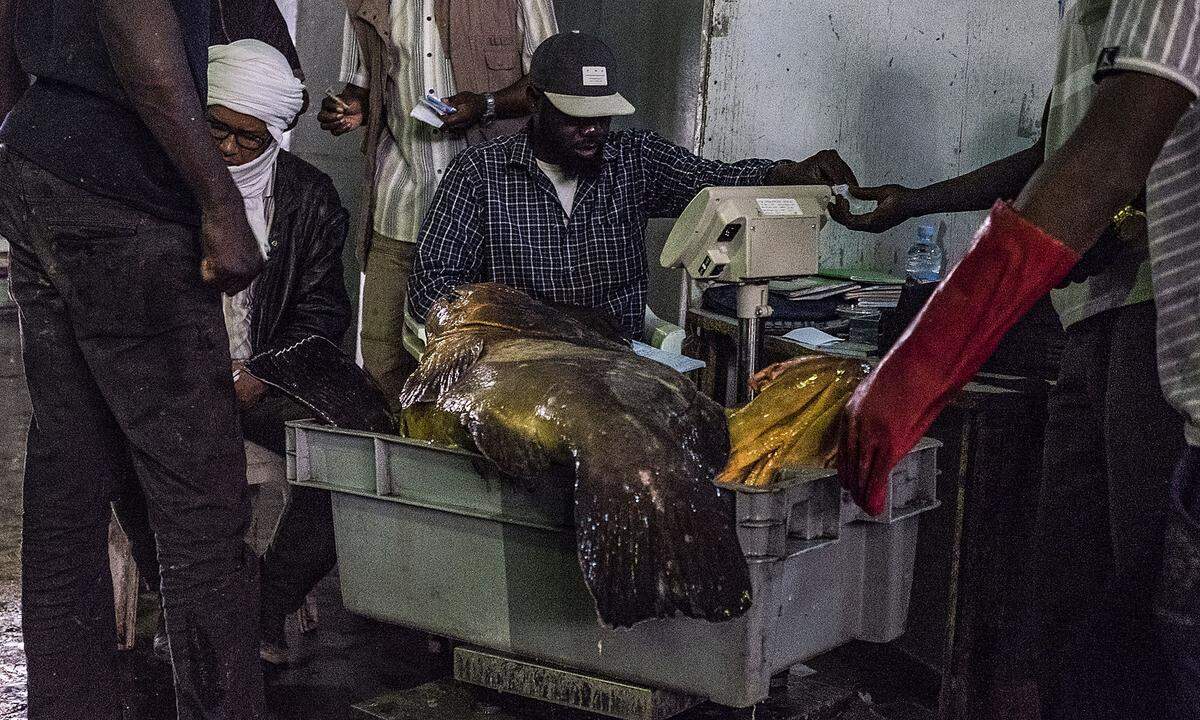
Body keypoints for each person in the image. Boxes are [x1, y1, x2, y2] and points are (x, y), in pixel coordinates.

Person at [837, 1, 1199, 718]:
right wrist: (916, 202)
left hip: (1150, 317)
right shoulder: (1090, 23)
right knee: (1088, 621)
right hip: (1094, 316)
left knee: (1153, 633)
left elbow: (1108, 158)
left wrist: (922, 366)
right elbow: (1066, 154)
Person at [0, 0, 266, 717]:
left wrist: (33, 145)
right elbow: (135, 26)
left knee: (68, 473)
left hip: (41, 167)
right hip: (128, 197)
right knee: (200, 501)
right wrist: (219, 201)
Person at [110, 38, 352, 665]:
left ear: (275, 133)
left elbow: (322, 316)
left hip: (258, 384)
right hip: (171, 379)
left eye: (251, 139)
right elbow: (129, 303)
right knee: (126, 454)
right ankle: (179, 601)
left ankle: (262, 611)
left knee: (349, 462)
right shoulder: (158, 180)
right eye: (217, 129)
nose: (229, 149)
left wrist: (263, 373)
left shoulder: (310, 198)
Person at [406, 31, 861, 338]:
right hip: (521, 359)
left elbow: (717, 181)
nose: (592, 130)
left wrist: (787, 174)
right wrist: (541, 323)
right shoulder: (480, 173)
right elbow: (432, 288)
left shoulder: (634, 160)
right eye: (575, 116)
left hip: (617, 361)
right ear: (534, 102)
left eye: (602, 116)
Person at [319, 0, 558, 405]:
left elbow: (552, 82)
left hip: (491, 220)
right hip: (401, 205)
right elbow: (364, 83)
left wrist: (486, 105)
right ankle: (397, 461)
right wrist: (350, 109)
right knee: (383, 359)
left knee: (481, 371)